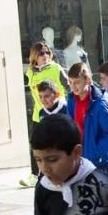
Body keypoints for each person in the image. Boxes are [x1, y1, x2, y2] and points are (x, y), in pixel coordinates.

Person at [22, 42, 71, 187]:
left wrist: (65, 105)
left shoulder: (56, 68)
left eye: (47, 52)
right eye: (41, 53)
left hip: (57, 114)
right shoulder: (30, 72)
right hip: (39, 115)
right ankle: (34, 174)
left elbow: (68, 87)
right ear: (34, 56)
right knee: (36, 144)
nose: (45, 56)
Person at [66, 62, 108, 174]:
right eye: (70, 82)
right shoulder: (71, 100)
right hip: (80, 160)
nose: (73, 86)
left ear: (88, 80)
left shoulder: (100, 104)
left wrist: (95, 153)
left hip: (99, 162)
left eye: (77, 82)